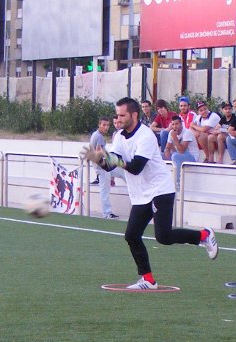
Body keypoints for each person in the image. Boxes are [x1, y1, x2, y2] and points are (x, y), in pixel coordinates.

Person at [81, 97, 218, 290]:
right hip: (141, 194)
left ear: (134, 115)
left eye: (122, 115)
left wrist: (109, 158)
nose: (118, 119)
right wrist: (100, 160)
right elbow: (113, 164)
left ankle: (204, 235)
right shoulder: (119, 136)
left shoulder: (145, 136)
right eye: (117, 115)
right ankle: (148, 280)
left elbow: (136, 167)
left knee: (163, 236)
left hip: (160, 190)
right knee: (131, 236)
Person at [88, 116, 120, 219]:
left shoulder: (96, 135)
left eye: (108, 125)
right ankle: (107, 213)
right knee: (104, 190)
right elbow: (99, 151)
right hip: (102, 167)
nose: (106, 127)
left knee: (123, 173)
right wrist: (111, 159)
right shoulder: (99, 137)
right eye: (104, 125)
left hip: (102, 166)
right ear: (99, 125)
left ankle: (107, 213)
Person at [163, 115, 201, 189]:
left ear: (181, 124)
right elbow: (167, 147)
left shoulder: (187, 132)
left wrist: (174, 138)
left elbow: (181, 150)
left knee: (175, 156)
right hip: (179, 155)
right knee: (160, 156)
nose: (175, 126)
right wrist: (167, 152)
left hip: (192, 157)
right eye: (173, 124)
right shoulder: (171, 132)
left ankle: (177, 183)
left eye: (177, 124)